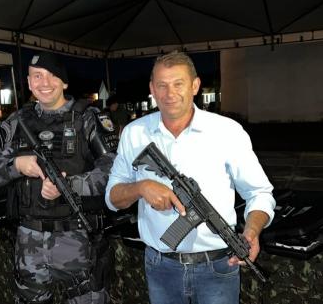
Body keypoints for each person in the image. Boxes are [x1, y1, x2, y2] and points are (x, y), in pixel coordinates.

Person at [105, 51, 275, 304]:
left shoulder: (226, 131)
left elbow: (259, 193)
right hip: (160, 266)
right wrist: (141, 187)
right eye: (161, 85)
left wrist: (252, 230)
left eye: (178, 84)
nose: (169, 93)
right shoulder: (134, 133)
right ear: (152, 88)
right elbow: (112, 198)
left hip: (218, 266)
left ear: (195, 86)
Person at [0, 51, 119, 304]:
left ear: (65, 82)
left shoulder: (88, 118)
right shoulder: (16, 122)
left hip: (78, 238)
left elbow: (114, 170)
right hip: (29, 240)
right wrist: (17, 165)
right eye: (37, 76)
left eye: (52, 76)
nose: (44, 83)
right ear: (28, 82)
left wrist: (71, 185)